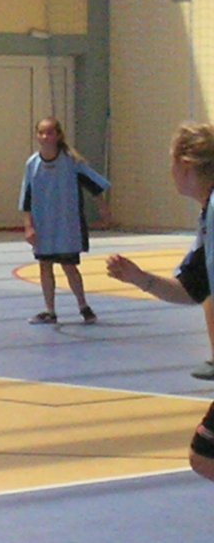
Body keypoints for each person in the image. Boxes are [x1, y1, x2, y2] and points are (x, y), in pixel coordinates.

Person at [106, 121, 214, 484]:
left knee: (204, 456)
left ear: (185, 164)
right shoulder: (208, 215)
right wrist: (141, 279)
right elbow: (192, 288)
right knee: (204, 456)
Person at [19, 117, 112, 325]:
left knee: (69, 267)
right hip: (43, 225)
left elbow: (94, 186)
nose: (45, 137)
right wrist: (28, 226)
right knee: (45, 266)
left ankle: (84, 306)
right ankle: (50, 311)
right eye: (41, 133)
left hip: (66, 225)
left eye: (50, 132)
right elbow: (26, 197)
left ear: (58, 135)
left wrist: (103, 208)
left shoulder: (71, 162)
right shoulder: (32, 164)